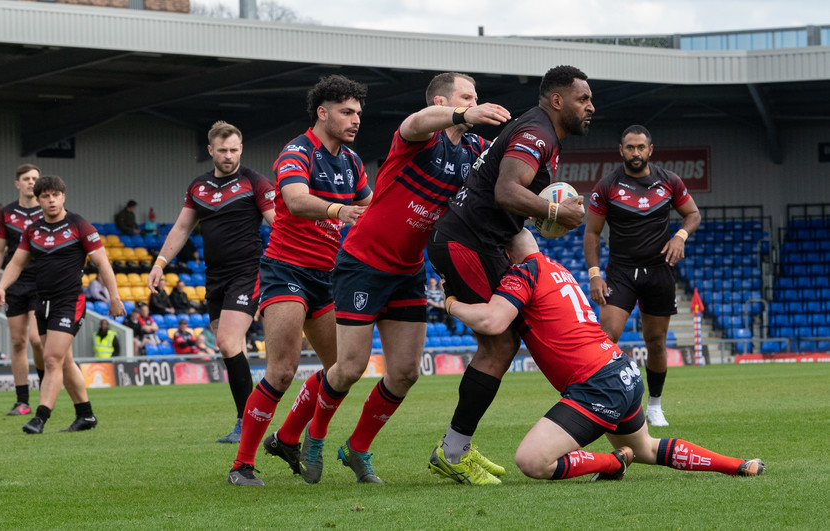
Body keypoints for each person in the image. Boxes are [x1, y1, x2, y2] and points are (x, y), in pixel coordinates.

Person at [276, 72, 511, 486]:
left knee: (405, 372)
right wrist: (462, 112)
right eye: (465, 97)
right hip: (363, 262)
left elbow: (505, 172)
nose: (475, 103)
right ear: (443, 101)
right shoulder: (422, 135)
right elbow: (416, 122)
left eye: (476, 98)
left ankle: (358, 448)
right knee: (349, 368)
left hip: (408, 270)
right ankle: (313, 436)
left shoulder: (476, 149)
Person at [436, 228, 763, 482]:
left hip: (596, 384)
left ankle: (614, 462)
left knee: (532, 461)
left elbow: (492, 321)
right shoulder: (554, 266)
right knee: (647, 448)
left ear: (505, 253)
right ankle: (737, 465)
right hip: (622, 370)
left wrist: (448, 301)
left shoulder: (523, 272)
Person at [425, 65, 591, 484]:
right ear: (557, 101)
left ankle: (455, 448)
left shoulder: (540, 134)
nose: (591, 107)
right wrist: (554, 211)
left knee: (503, 341)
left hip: (481, 242)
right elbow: (505, 191)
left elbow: (509, 207)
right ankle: (453, 451)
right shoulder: (537, 133)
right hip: (466, 242)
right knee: (500, 343)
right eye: (582, 99)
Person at [228, 74, 372, 486]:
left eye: (358, 112)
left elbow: (372, 206)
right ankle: (242, 465)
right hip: (286, 271)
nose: (355, 119)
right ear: (323, 113)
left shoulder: (351, 161)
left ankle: (289, 436)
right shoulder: (297, 151)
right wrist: (339, 212)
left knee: (342, 368)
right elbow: (293, 199)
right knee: (282, 370)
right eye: (347, 111)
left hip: (327, 276)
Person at [148, 120, 275, 443]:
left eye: (234, 150)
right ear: (211, 151)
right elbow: (181, 229)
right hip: (213, 277)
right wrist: (160, 263)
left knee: (228, 343)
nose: (229, 155)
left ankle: (246, 423)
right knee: (231, 347)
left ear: (241, 149)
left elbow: (279, 223)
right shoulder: (198, 186)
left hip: (247, 273)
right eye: (223, 150)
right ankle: (253, 415)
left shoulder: (254, 182)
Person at [584, 125, 701, 427]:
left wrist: (680, 237)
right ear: (620, 150)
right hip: (620, 271)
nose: (635, 152)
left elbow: (693, 214)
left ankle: (655, 406)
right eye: (629, 147)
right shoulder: (606, 186)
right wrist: (595, 275)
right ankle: (603, 402)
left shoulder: (669, 181)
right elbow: (592, 232)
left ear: (650, 150)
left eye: (640, 147)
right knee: (607, 337)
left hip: (659, 271)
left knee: (657, 342)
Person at [0, 175, 125, 434]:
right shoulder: (33, 230)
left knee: (51, 358)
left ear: (63, 196)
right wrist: (0, 287)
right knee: (63, 361)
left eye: (56, 195)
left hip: (70, 301)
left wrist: (115, 297)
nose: (51, 200)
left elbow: (102, 262)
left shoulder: (79, 225)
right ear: (39, 199)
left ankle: (40, 417)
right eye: (46, 196)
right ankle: (85, 415)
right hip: (43, 302)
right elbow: (17, 263)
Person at [0, 164, 45, 415]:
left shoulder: (50, 209)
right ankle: (23, 402)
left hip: (42, 282)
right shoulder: (7, 213)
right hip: (15, 283)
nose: (31, 182)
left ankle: (46, 392)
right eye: (26, 179)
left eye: (35, 178)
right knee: (18, 342)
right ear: (17, 183)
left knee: (36, 340)